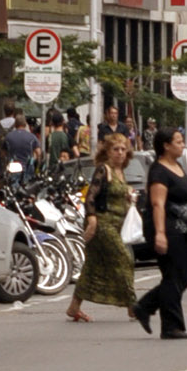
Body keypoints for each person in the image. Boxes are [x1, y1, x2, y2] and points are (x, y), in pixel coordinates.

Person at [134, 128, 187, 341]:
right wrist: (160, 234)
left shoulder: (177, 166)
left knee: (182, 274)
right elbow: (157, 204)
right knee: (176, 275)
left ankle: (146, 307)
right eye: (179, 141)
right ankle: (170, 325)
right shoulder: (159, 172)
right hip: (168, 228)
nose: (182, 145)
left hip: (183, 229)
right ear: (166, 145)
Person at [66, 133, 140, 324]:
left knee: (93, 266)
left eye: (123, 149)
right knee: (124, 259)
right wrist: (91, 220)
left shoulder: (121, 173)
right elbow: (90, 197)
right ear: (107, 151)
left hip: (118, 224)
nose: (120, 153)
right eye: (116, 149)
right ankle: (134, 307)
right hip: (102, 224)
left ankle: (74, 307)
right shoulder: (103, 170)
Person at [0, 113, 40, 182]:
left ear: (15, 124)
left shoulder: (8, 137)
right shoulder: (32, 137)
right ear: (25, 124)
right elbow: (39, 153)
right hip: (28, 168)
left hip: (13, 168)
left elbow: (2, 154)